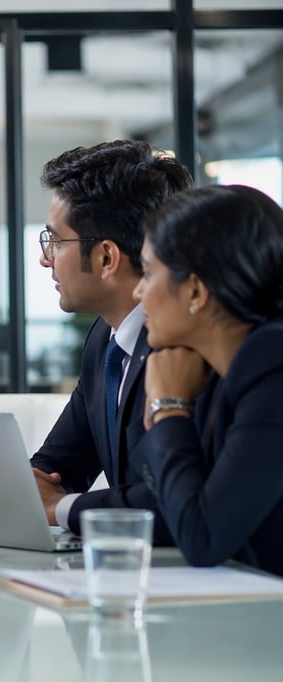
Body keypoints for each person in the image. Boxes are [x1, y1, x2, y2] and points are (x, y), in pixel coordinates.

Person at [29, 140, 192, 541]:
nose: (45, 259)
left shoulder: (188, 347)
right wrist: (25, 488)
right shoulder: (105, 338)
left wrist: (58, 507)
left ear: (106, 258)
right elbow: (56, 467)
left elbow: (167, 501)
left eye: (55, 240)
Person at [134, 185, 283, 576]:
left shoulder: (272, 362)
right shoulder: (218, 367)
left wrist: (169, 407)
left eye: (148, 273)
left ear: (196, 291)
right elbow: (181, 504)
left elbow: (203, 537)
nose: (138, 292)